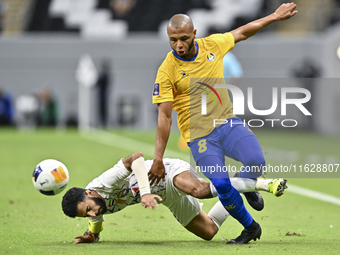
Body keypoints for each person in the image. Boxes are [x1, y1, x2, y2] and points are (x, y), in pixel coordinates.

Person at [150, 3, 297, 244]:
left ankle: (248, 186)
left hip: (227, 123)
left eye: (184, 38)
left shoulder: (213, 45)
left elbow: (243, 32)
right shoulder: (166, 71)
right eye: (173, 39)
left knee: (256, 161)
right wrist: (157, 158)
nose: (179, 44)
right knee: (220, 184)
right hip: (200, 138)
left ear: (194, 34)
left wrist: (274, 16)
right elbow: (164, 117)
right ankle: (251, 227)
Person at [62, 152, 287, 244]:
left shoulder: (102, 183)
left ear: (90, 193)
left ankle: (264, 183)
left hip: (168, 173)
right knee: (209, 231)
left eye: (89, 208)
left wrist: (146, 190)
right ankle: (239, 184)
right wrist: (93, 235)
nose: (93, 213)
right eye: (86, 215)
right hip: (167, 197)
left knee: (200, 190)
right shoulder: (94, 209)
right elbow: (96, 224)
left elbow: (136, 159)